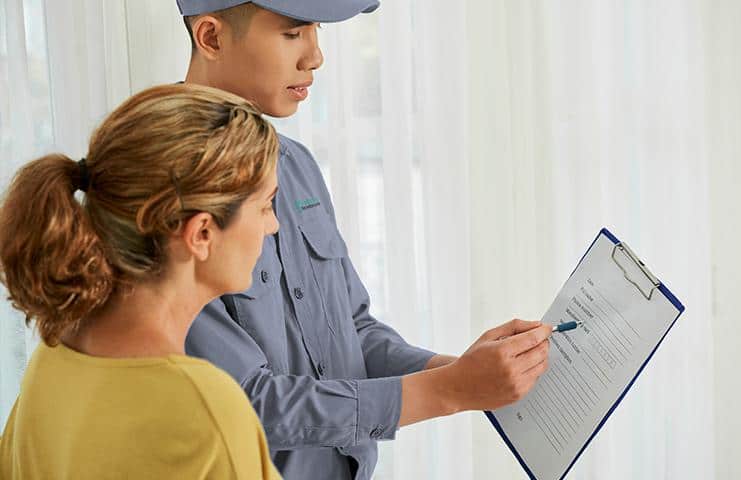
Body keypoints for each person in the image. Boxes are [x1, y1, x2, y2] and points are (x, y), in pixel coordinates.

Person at [178, 1, 554, 478]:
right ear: (211, 37)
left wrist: (465, 372)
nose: (315, 57)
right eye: (293, 33)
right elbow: (242, 402)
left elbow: (353, 333)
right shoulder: (161, 188)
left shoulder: (295, 166)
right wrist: (451, 390)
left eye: (316, 31)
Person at [0, 83, 282, 479]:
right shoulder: (206, 409)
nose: (273, 226)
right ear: (201, 233)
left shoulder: (52, 359)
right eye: (265, 205)